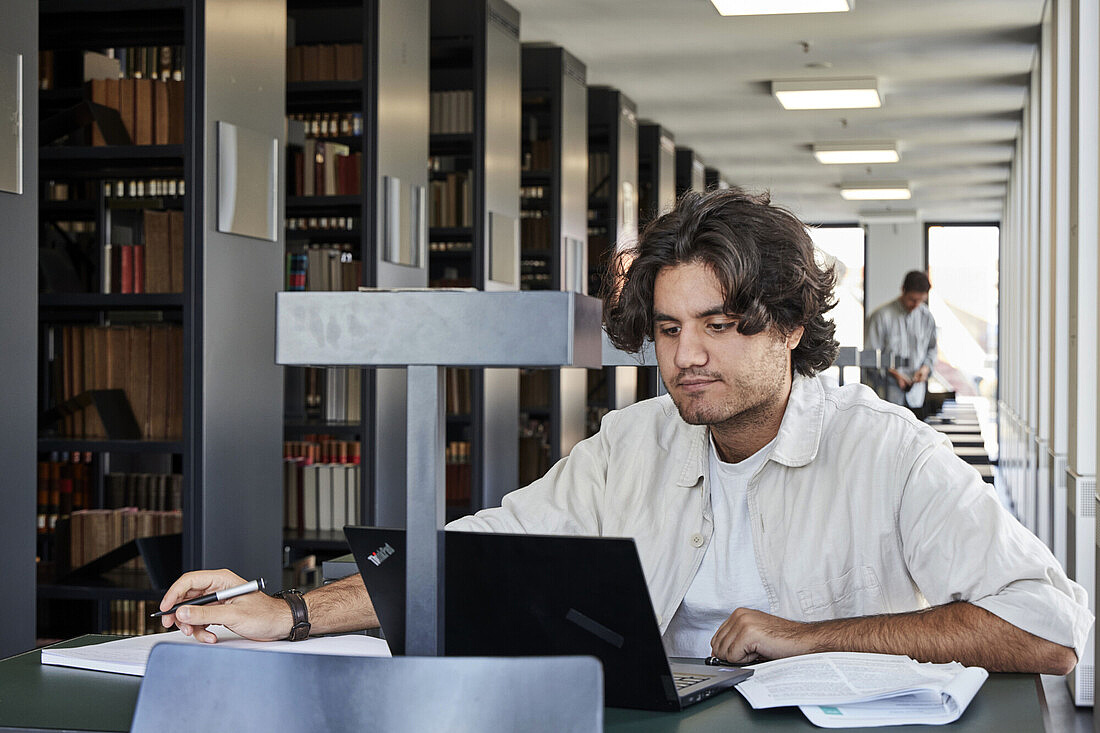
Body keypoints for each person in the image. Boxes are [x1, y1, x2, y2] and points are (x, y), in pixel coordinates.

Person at [159, 188, 1090, 674]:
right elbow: (482, 553)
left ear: (792, 325)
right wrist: (288, 612)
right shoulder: (633, 441)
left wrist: (813, 636)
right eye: (673, 329)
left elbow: (1050, 628)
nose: (687, 356)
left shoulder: (887, 452)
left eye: (722, 326)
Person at [865, 271, 938, 415]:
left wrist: (925, 369)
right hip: (886, 399)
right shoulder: (881, 316)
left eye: (920, 300)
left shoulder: (927, 318)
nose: (916, 305)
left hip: (917, 398)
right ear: (903, 290)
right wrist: (893, 374)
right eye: (912, 299)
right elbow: (869, 358)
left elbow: (932, 349)